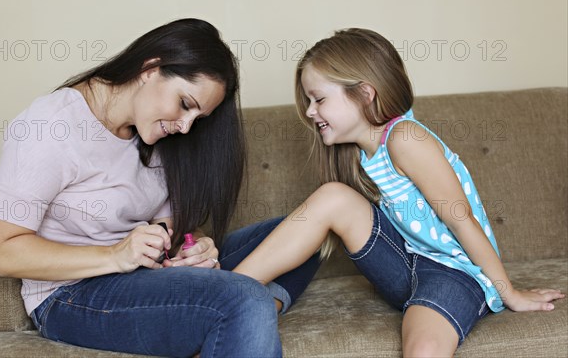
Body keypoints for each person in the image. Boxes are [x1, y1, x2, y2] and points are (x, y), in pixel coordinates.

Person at [0, 18, 320, 358]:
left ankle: (232, 329)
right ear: (151, 68)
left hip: (152, 274)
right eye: (185, 104)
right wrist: (115, 255)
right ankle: (239, 313)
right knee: (245, 297)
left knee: (309, 232)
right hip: (72, 295)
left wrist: (196, 246)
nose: (186, 127)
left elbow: (172, 225)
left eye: (197, 119)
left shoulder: (155, 135)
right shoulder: (50, 126)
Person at [232, 28, 565, 357]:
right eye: (308, 100)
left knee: (424, 349)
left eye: (318, 99)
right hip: (405, 266)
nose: (309, 111)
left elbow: (462, 221)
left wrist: (510, 293)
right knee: (333, 196)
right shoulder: (357, 155)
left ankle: (225, 293)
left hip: (452, 271)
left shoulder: (406, 138)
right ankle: (226, 292)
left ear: (365, 93)